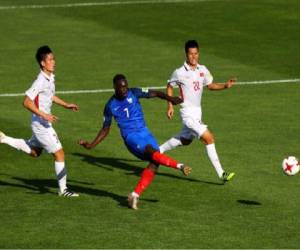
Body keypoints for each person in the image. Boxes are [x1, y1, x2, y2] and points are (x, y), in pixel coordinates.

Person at [79, 74, 192, 210]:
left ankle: (135, 195)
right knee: (153, 152)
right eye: (121, 87)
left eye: (125, 86)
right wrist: (91, 145)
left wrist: (170, 99)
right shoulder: (110, 106)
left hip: (144, 132)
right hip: (131, 137)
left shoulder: (134, 92)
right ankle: (180, 166)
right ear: (115, 87)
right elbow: (105, 129)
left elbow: (155, 93)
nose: (124, 89)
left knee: (155, 163)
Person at [0, 45, 79, 197]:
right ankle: (63, 190)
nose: (54, 61)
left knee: (35, 152)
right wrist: (44, 115)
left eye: (53, 58)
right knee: (59, 154)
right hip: (41, 124)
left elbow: (50, 96)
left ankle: (4, 138)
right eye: (50, 59)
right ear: (43, 63)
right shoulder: (40, 81)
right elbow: (26, 102)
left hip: (42, 121)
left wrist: (66, 104)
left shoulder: (50, 78)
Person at [159, 40, 236, 182]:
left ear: (198, 54)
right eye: (190, 54)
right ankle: (221, 173)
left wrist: (225, 85)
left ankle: (158, 151)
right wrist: (170, 105)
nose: (193, 57)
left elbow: (210, 85)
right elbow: (169, 86)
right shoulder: (179, 72)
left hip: (198, 112)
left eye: (196, 54)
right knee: (209, 138)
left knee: (185, 140)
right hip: (187, 114)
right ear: (186, 55)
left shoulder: (202, 69)